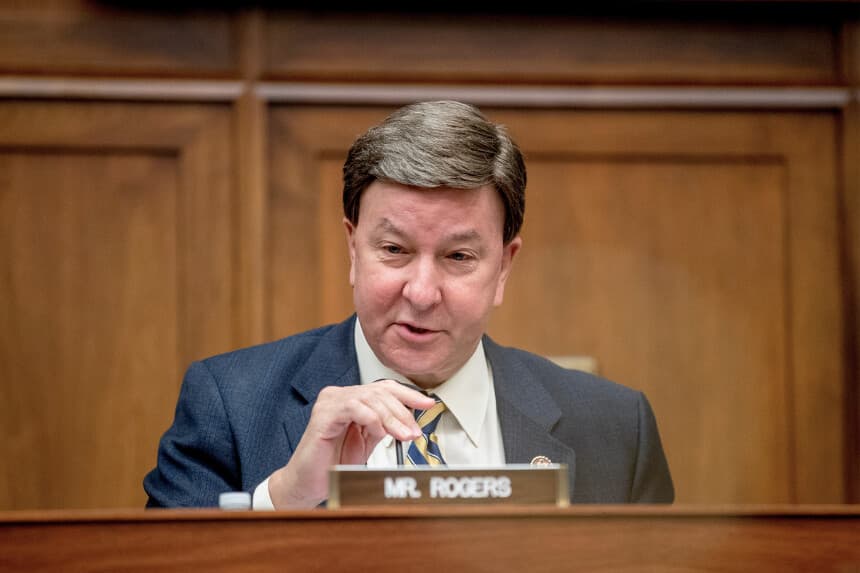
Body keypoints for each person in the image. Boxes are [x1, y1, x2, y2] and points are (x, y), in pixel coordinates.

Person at [144, 100, 674, 508]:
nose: (421, 293)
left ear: (504, 267)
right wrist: (282, 500)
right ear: (354, 249)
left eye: (459, 256)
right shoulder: (229, 408)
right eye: (394, 251)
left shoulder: (615, 429)